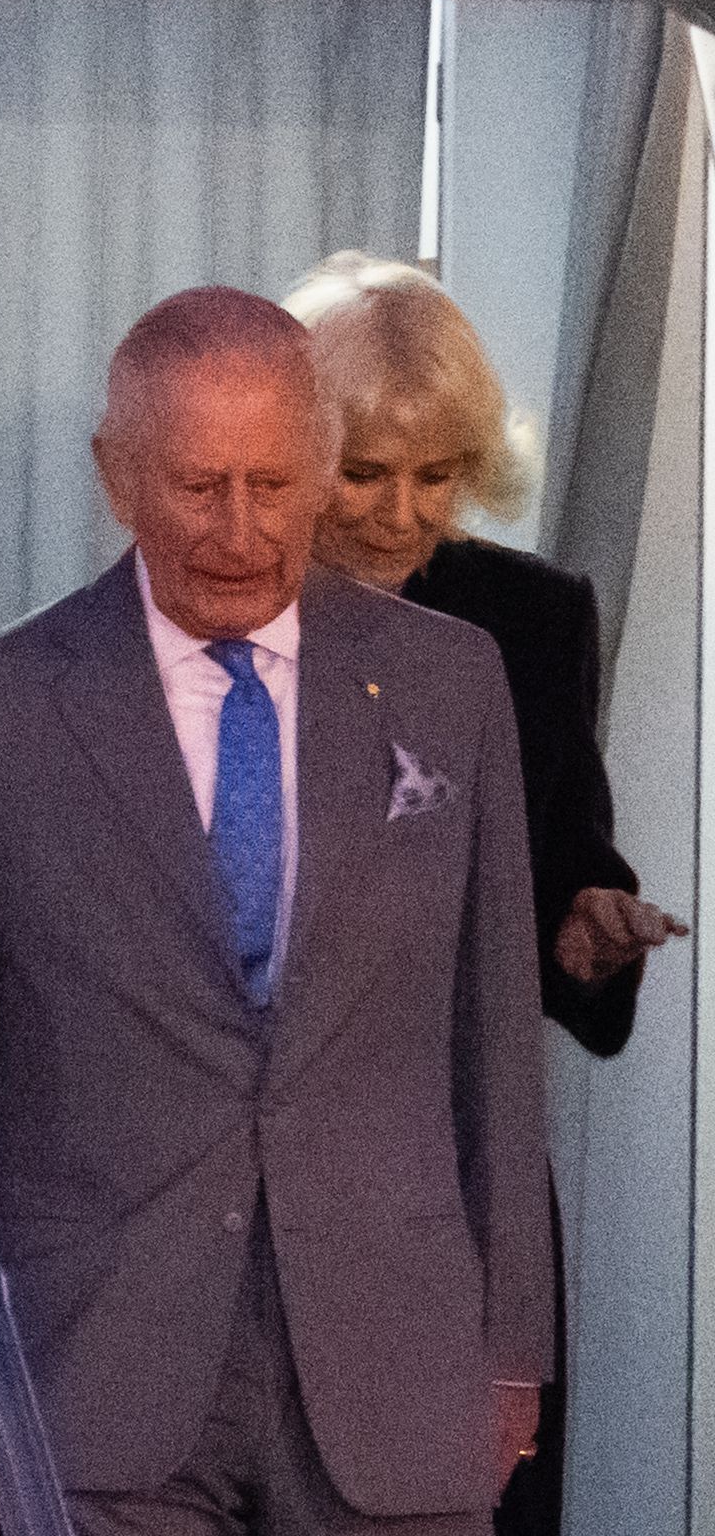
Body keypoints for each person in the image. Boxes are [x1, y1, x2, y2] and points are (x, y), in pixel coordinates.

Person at [0, 284, 554, 1536]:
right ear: (115, 478)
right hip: (83, 1382)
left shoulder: (456, 689)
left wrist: (512, 1344)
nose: (241, 531)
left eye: (276, 487)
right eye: (197, 487)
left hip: (393, 1374)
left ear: (321, 466)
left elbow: (493, 1041)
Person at [282, 252, 685, 1536]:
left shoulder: (532, 619)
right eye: (364, 472)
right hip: (261, 1194)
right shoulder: (219, 612)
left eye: (438, 477)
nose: (401, 516)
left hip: (460, 1192)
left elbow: (573, 853)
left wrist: (587, 925)